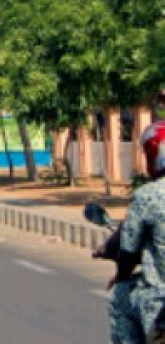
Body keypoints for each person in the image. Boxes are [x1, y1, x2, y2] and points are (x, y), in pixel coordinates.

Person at [109, 120, 165, 344]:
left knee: (120, 297)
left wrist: (121, 276)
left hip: (159, 294)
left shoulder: (148, 195)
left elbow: (129, 250)